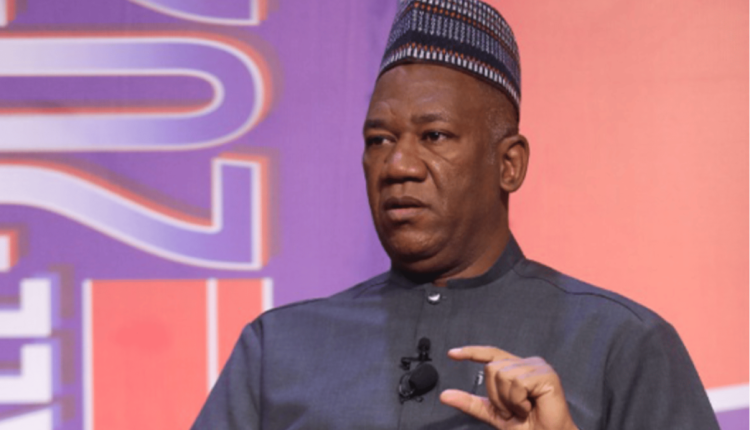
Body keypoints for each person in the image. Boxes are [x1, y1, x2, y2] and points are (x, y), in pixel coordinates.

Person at [192, 1, 719, 429]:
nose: (398, 165)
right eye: (379, 140)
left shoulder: (620, 345)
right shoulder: (279, 350)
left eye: (435, 135)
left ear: (508, 164)